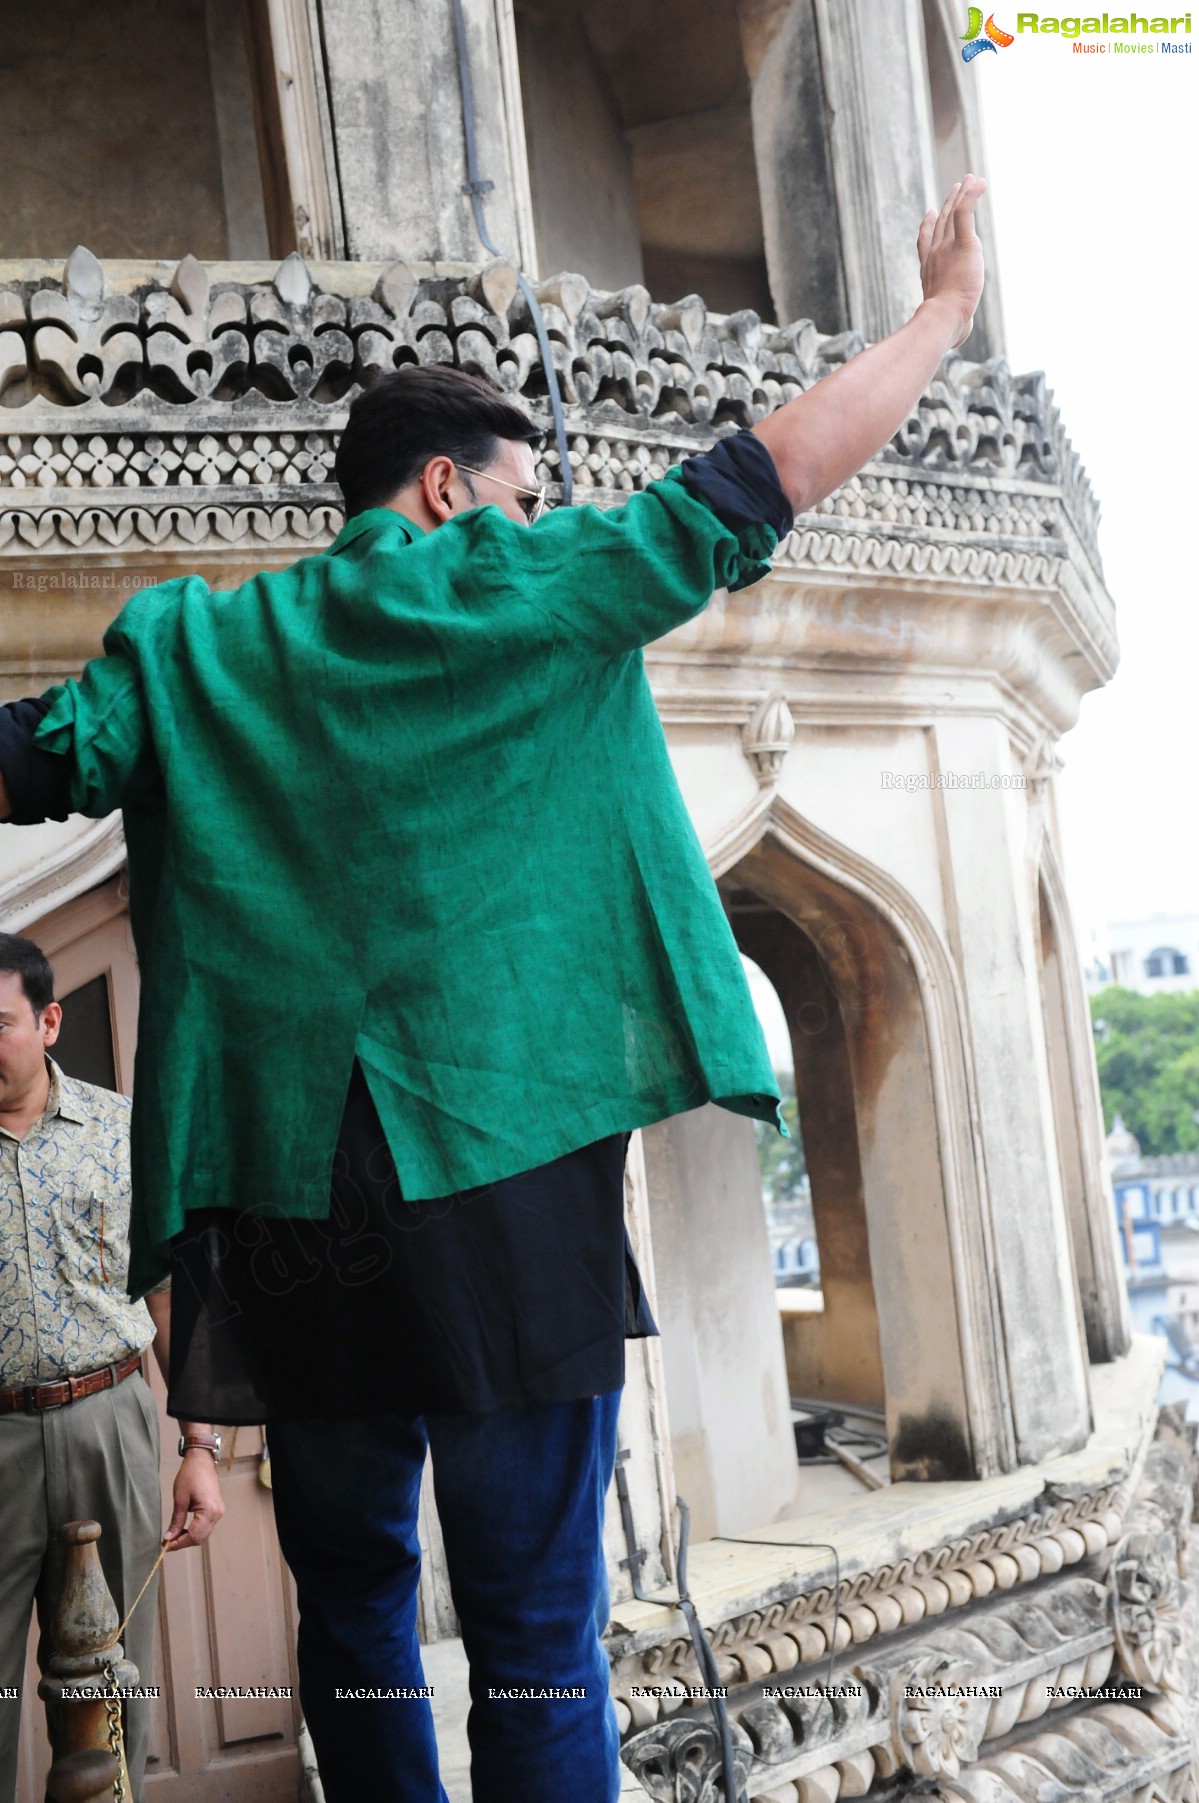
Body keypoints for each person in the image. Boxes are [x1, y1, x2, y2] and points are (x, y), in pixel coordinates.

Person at [0, 178, 986, 1802]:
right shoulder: (525, 584)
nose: (534, 526)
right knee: (537, 1627)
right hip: (503, 1172)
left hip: (292, 1194)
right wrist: (940, 311)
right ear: (449, 487)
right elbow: (771, 469)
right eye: (520, 500)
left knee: (357, 1620)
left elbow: (35, 758)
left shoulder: (191, 649)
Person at [0, 934, 224, 1803]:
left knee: (113, 1685)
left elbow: (170, 1295)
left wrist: (199, 1443)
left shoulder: (120, 1131)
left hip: (111, 1424)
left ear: (50, 1020)